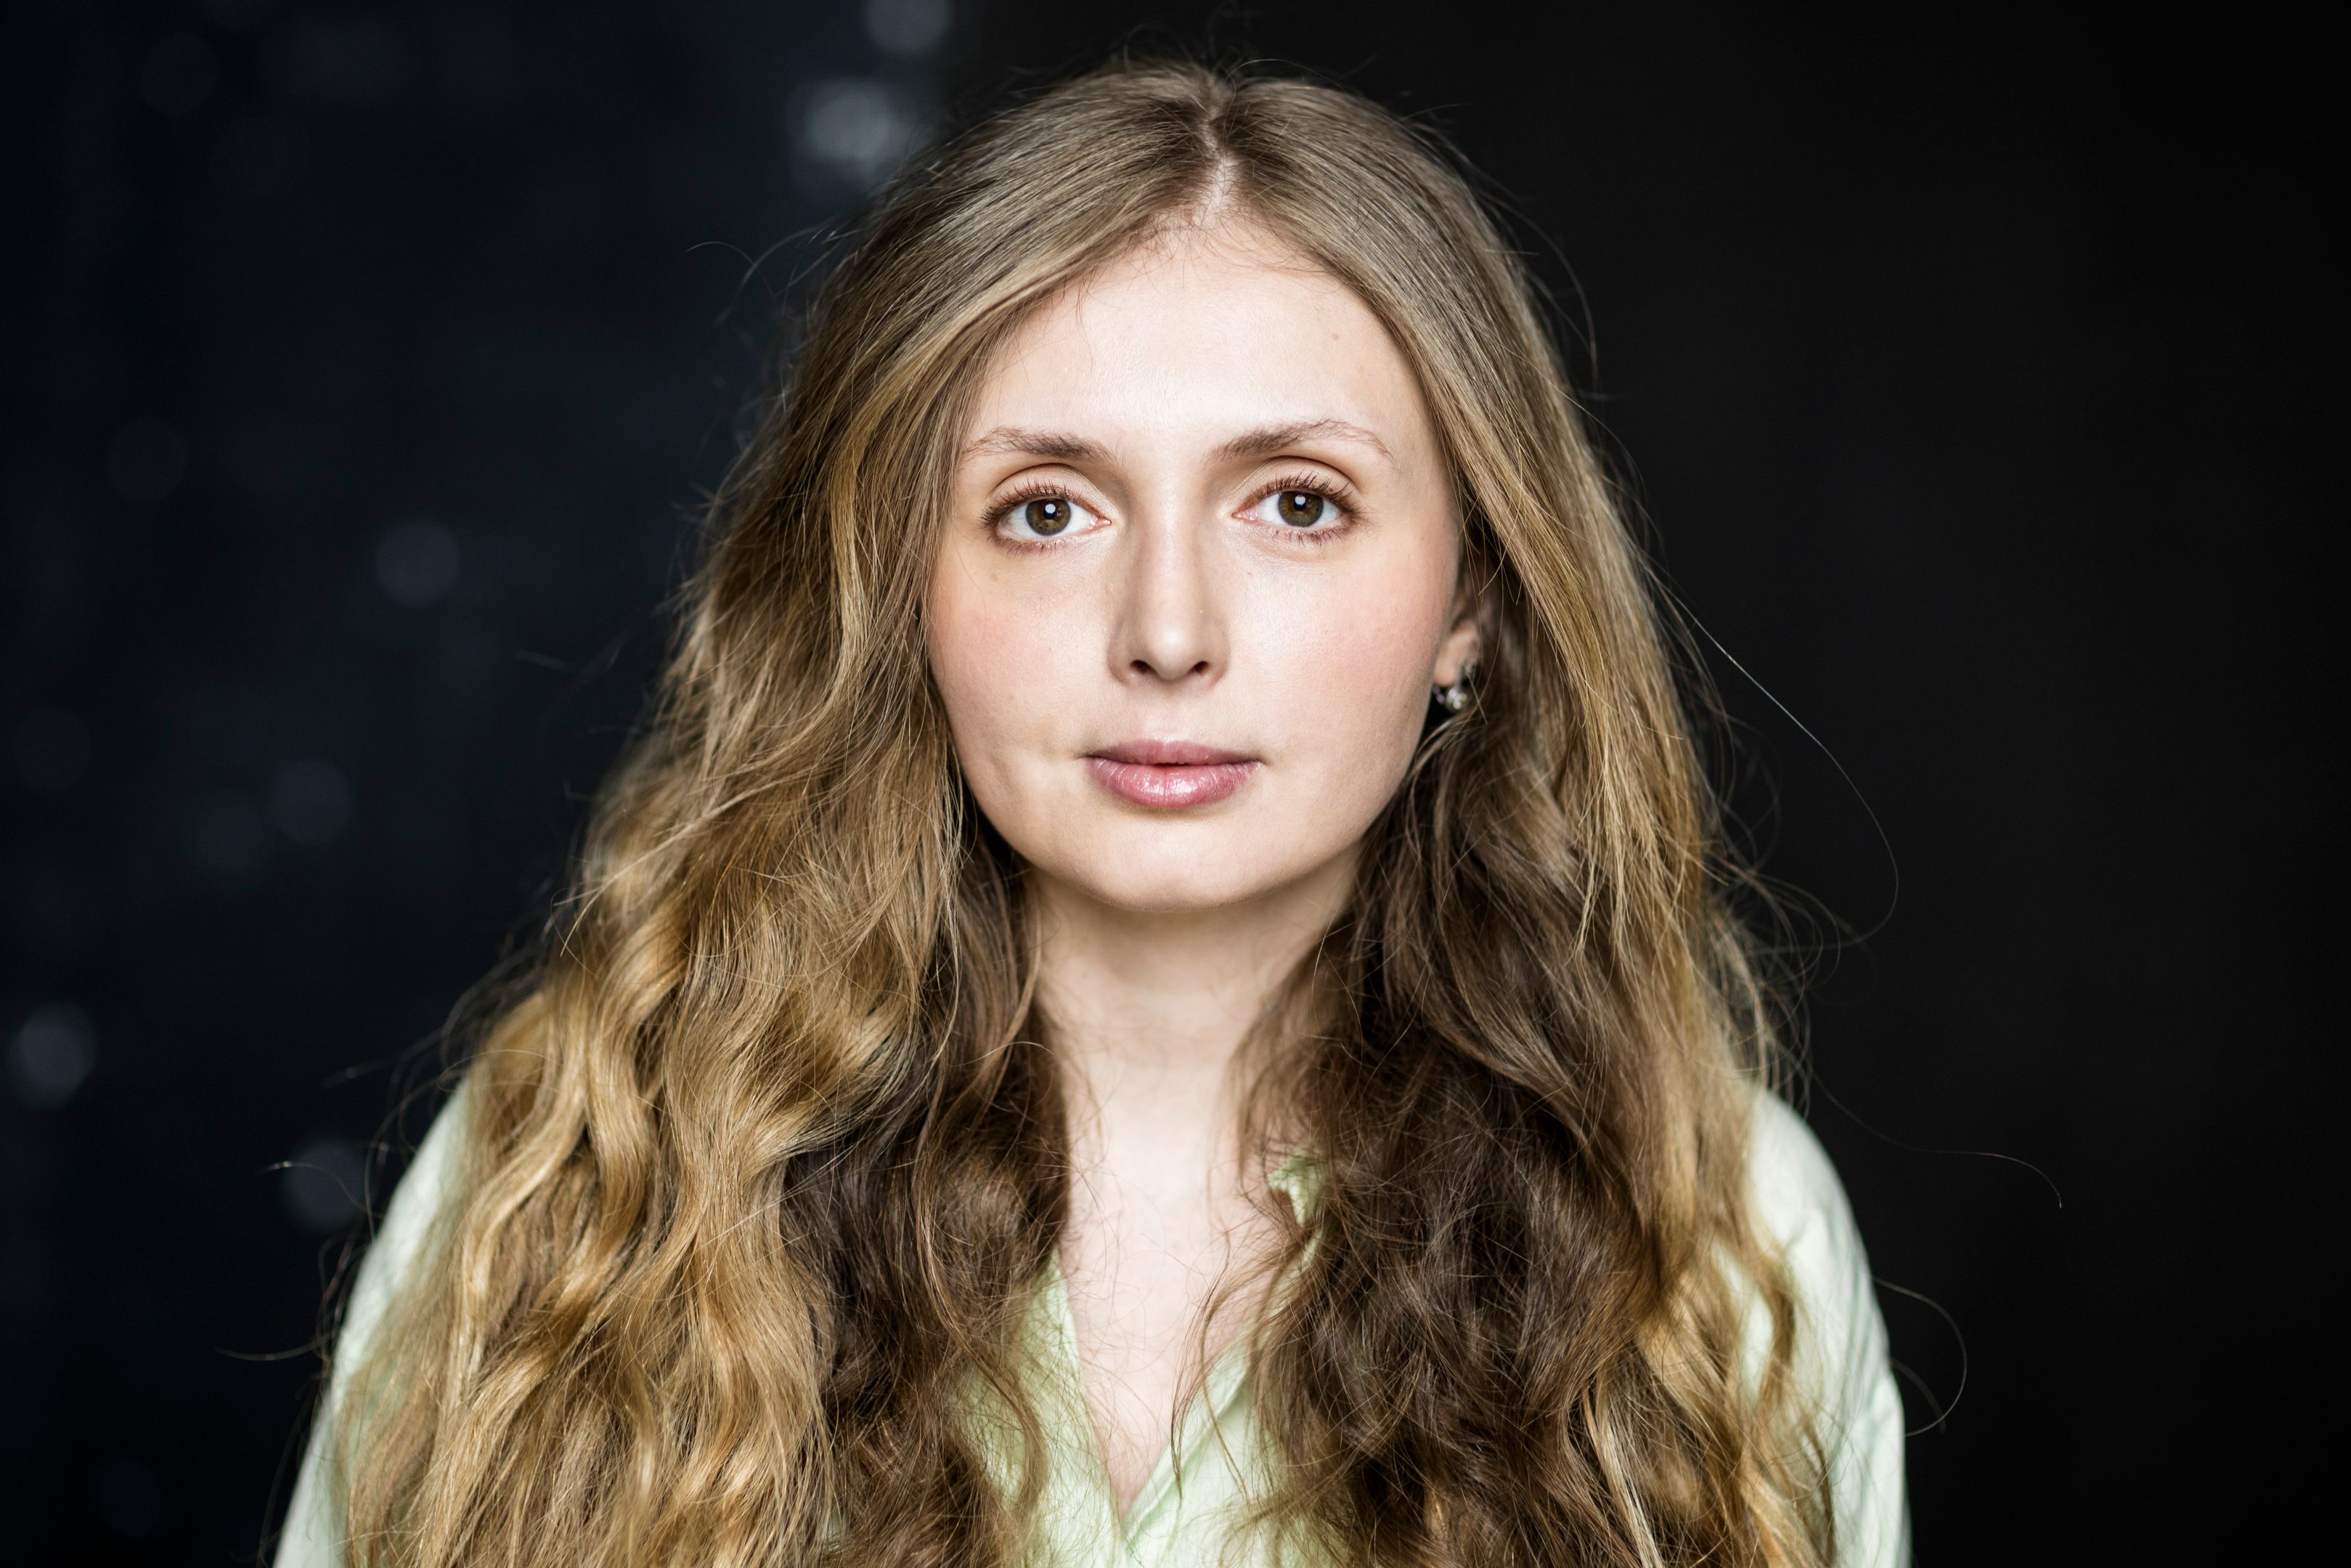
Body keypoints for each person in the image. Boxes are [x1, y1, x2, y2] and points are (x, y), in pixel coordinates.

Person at [276, 58, 1907, 1568]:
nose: (1167, 631)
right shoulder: (576, 1173)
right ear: (901, 586)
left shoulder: (1718, 1232)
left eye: (1297, 503)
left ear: (1469, 596)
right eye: (1045, 510)